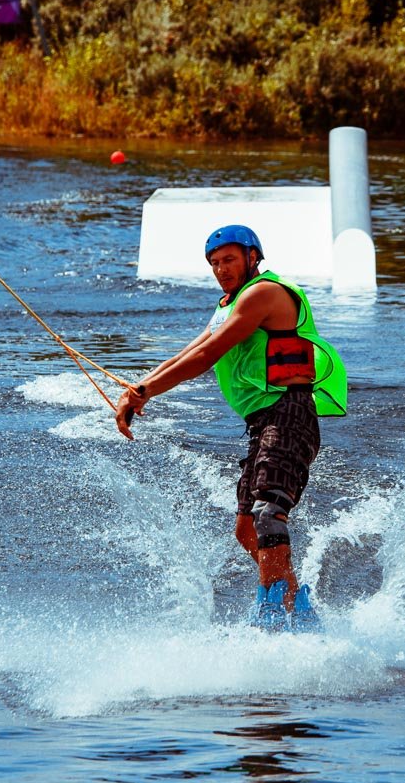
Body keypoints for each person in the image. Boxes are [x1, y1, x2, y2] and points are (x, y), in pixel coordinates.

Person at [115, 225, 347, 630]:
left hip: (289, 413)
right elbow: (187, 352)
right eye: (215, 263)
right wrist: (136, 390)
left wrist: (145, 392)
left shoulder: (264, 293)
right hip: (263, 422)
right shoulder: (227, 306)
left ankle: (270, 616)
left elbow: (208, 355)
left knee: (268, 515)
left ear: (252, 257)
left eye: (229, 260)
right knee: (246, 530)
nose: (221, 269)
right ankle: (299, 611)